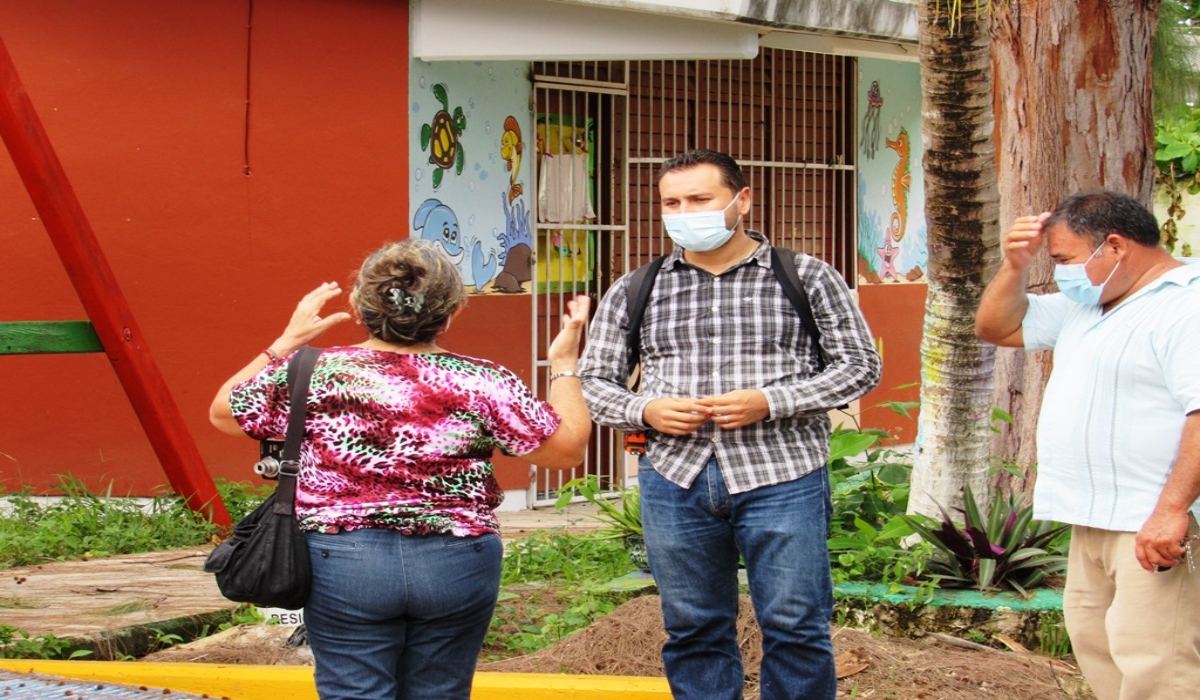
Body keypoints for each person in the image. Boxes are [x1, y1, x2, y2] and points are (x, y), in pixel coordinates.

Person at [209, 239, 591, 700]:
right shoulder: (483, 379)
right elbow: (566, 451)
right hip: (457, 559)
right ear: (452, 311)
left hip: (344, 561)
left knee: (353, 691)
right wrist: (565, 364)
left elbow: (223, 414)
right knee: (441, 692)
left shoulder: (313, 370)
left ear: (356, 303)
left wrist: (287, 342)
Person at [578, 149, 881, 700]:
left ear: (741, 201)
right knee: (693, 627)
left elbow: (860, 367)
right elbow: (594, 381)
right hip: (675, 478)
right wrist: (645, 409)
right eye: (672, 202)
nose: (684, 211)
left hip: (783, 474)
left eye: (700, 199)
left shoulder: (807, 276)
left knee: (795, 625)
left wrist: (772, 400)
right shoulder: (636, 288)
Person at [974, 191, 1200, 700]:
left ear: (1115, 246)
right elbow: (994, 325)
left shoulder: (1186, 304)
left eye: (1065, 261)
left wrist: (1171, 510)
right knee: (1099, 649)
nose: (1060, 276)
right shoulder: (1090, 304)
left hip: (1152, 520)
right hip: (1093, 519)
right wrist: (1015, 265)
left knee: (1158, 665)